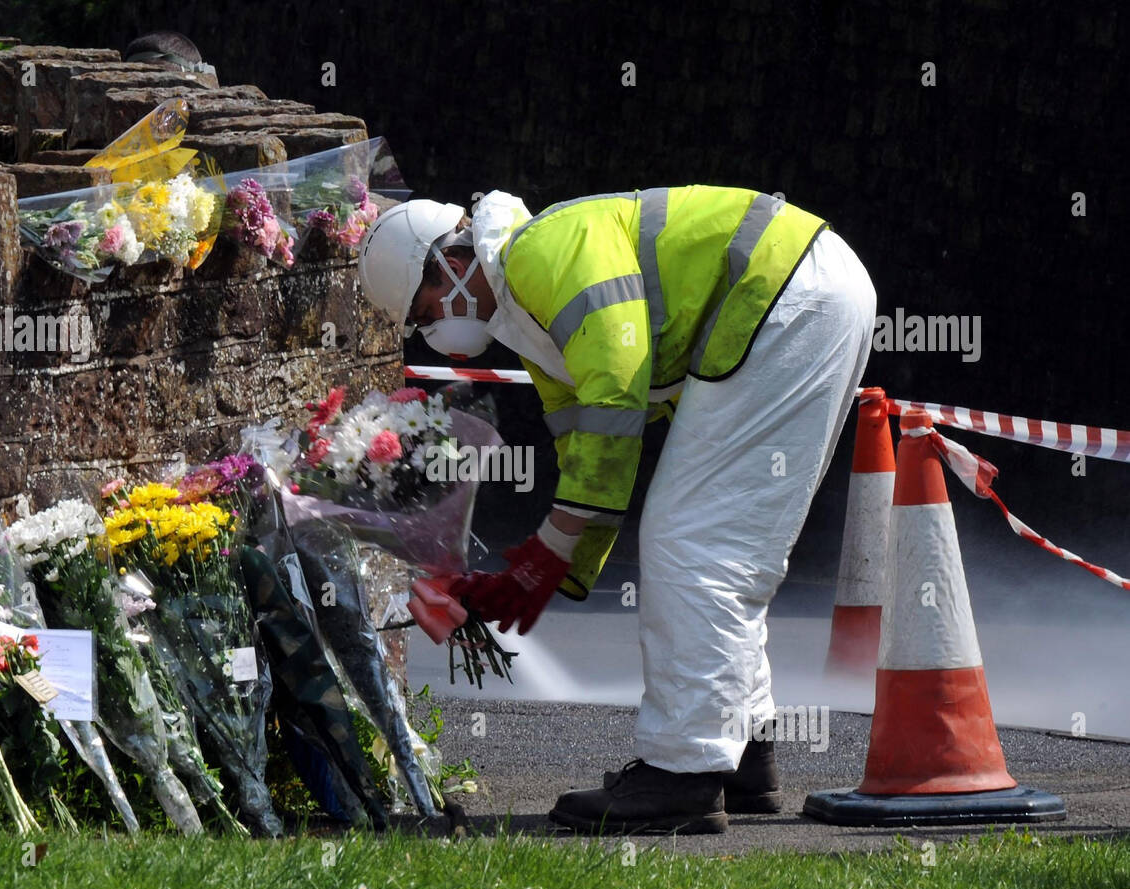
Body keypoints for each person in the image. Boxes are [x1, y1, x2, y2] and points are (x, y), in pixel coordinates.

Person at [358, 186, 876, 833]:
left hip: (785, 296)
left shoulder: (539, 254)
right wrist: (556, 565)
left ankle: (683, 776)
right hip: (798, 290)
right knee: (720, 545)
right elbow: (581, 441)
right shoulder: (527, 311)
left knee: (694, 541)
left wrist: (550, 551)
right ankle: (738, 753)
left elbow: (616, 384)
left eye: (424, 308)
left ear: (451, 262)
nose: (434, 329)